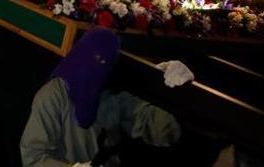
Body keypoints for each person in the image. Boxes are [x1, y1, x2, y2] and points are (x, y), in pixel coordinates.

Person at [21, 27, 188, 166]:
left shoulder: (111, 96)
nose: (100, 66)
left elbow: (165, 130)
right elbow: (33, 157)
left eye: (106, 62)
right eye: (96, 58)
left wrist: (169, 88)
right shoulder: (54, 95)